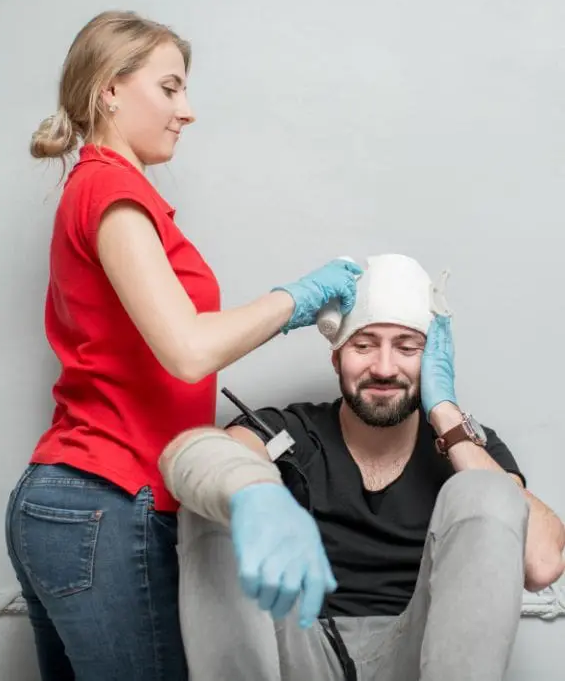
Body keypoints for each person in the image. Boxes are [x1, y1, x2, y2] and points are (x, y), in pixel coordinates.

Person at [4, 9, 363, 681]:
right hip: (103, 501)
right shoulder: (110, 189)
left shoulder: (103, 189)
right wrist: (298, 298)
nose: (187, 110)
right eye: (170, 88)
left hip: (76, 505)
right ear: (110, 88)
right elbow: (188, 349)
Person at [160, 254, 565, 681]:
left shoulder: (466, 444)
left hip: (421, 653)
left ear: (431, 363)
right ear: (336, 358)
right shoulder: (291, 431)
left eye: (408, 348)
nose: (385, 368)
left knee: (486, 489)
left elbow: (541, 563)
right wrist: (252, 491)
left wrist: (446, 415)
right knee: (216, 493)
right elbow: (187, 455)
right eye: (364, 345)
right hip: (300, 650)